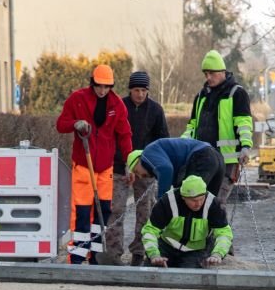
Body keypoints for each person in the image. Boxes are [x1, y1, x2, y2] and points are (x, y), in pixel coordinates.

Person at [56, 64, 133, 264]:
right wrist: (75, 123)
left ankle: (96, 256)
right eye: (99, 86)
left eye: (106, 87)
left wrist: (129, 162)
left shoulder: (117, 105)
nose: (102, 90)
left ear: (111, 87)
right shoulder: (78, 99)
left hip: (105, 167)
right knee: (82, 211)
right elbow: (61, 124)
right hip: (83, 164)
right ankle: (77, 256)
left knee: (103, 210)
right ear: (93, 83)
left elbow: (124, 135)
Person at [108, 70, 169, 266]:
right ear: (130, 90)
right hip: (119, 167)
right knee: (116, 209)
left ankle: (139, 251)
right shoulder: (119, 106)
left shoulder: (156, 111)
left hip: (146, 169)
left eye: (143, 90)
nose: (140, 94)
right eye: (136, 90)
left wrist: (153, 165)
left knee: (146, 211)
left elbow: (163, 140)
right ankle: (113, 252)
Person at [181, 50, 254, 206]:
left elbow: (244, 123)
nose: (208, 78)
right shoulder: (201, 96)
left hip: (227, 161)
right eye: (205, 74)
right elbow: (192, 125)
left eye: (211, 73)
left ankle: (218, 231)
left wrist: (246, 146)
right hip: (202, 159)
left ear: (222, 71)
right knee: (199, 202)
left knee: (215, 204)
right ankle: (205, 231)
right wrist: (182, 144)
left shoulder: (236, 94)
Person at [141, 175, 233, 269]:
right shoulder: (168, 201)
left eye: (202, 199)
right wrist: (154, 254)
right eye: (194, 200)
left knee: (189, 277)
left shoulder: (213, 204)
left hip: (196, 251)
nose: (198, 203)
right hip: (166, 247)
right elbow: (150, 230)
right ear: (183, 197)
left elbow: (224, 233)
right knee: (151, 271)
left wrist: (217, 254)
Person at [126, 137, 224, 200]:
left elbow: (165, 169)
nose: (140, 176)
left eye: (136, 171)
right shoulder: (159, 152)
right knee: (208, 204)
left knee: (189, 199)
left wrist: (162, 201)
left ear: (138, 159)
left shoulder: (147, 154)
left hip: (202, 157)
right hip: (216, 157)